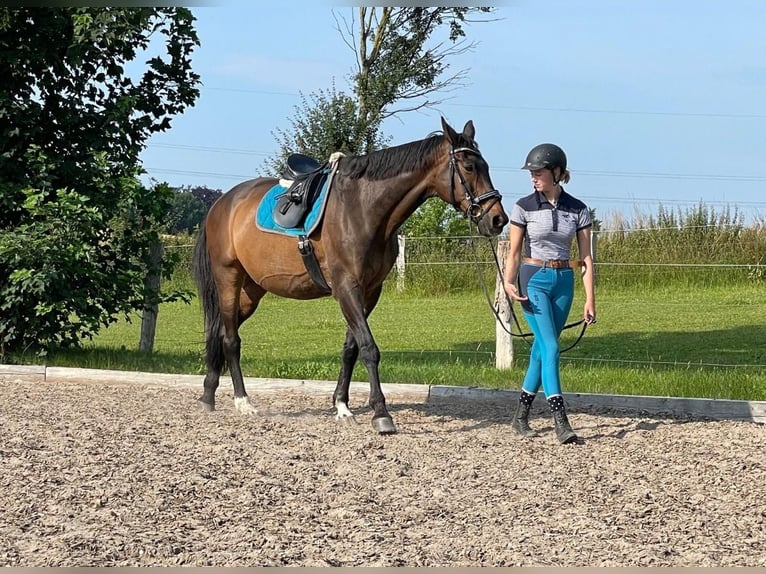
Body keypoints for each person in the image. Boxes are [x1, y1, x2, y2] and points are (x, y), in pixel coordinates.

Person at [503, 143, 596, 445]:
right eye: (531, 173)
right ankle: (560, 421)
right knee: (552, 347)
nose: (533, 178)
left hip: (564, 281)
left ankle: (520, 417)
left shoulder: (578, 209)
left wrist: (590, 299)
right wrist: (508, 281)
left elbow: (586, 258)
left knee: (541, 351)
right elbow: (514, 252)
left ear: (556, 173)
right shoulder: (523, 207)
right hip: (534, 280)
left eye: (539, 173)